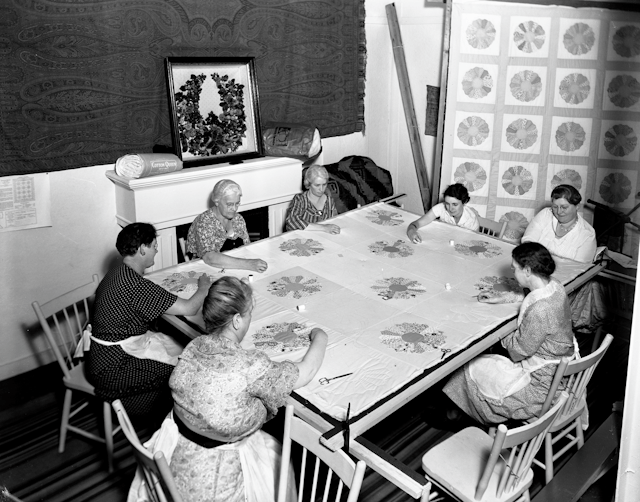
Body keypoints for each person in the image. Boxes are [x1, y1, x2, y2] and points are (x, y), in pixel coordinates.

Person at [129, 276, 328, 502]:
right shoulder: (249, 366)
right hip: (212, 485)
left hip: (174, 460)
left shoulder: (194, 346)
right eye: (248, 314)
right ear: (236, 321)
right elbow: (305, 372)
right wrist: (320, 337)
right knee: (278, 456)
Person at [442, 242, 576, 425]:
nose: (513, 273)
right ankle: (458, 410)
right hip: (559, 370)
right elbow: (532, 297)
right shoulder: (555, 286)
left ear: (527, 271)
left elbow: (519, 350)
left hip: (539, 387)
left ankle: (457, 417)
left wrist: (496, 330)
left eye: (515, 269)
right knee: (485, 362)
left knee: (467, 367)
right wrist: (503, 298)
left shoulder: (540, 310)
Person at [87, 223, 212, 416]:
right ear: (142, 249)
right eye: (154, 245)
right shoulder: (136, 285)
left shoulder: (117, 272)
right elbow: (190, 307)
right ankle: (165, 410)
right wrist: (204, 287)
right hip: (113, 368)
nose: (157, 250)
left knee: (178, 348)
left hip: (100, 356)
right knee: (187, 370)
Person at [186, 179, 268, 272]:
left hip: (236, 268)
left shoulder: (238, 219)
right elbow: (209, 258)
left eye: (237, 203)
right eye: (229, 204)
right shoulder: (203, 222)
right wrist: (249, 264)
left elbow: (247, 248)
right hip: (208, 271)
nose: (234, 208)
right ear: (217, 202)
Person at [521, 184, 596, 263]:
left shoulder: (587, 234)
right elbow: (528, 241)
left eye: (564, 207)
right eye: (555, 207)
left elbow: (579, 268)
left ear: (577, 206)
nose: (559, 212)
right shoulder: (546, 214)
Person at [407, 183, 479, 243]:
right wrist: (411, 232)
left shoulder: (471, 220)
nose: (450, 208)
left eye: (455, 204)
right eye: (447, 203)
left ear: (464, 202)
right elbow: (417, 223)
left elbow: (472, 244)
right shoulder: (441, 207)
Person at [285, 165, 340, 234]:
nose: (321, 189)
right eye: (317, 185)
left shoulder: (329, 200)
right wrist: (323, 228)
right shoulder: (300, 200)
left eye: (324, 184)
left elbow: (334, 221)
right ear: (308, 184)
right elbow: (292, 221)